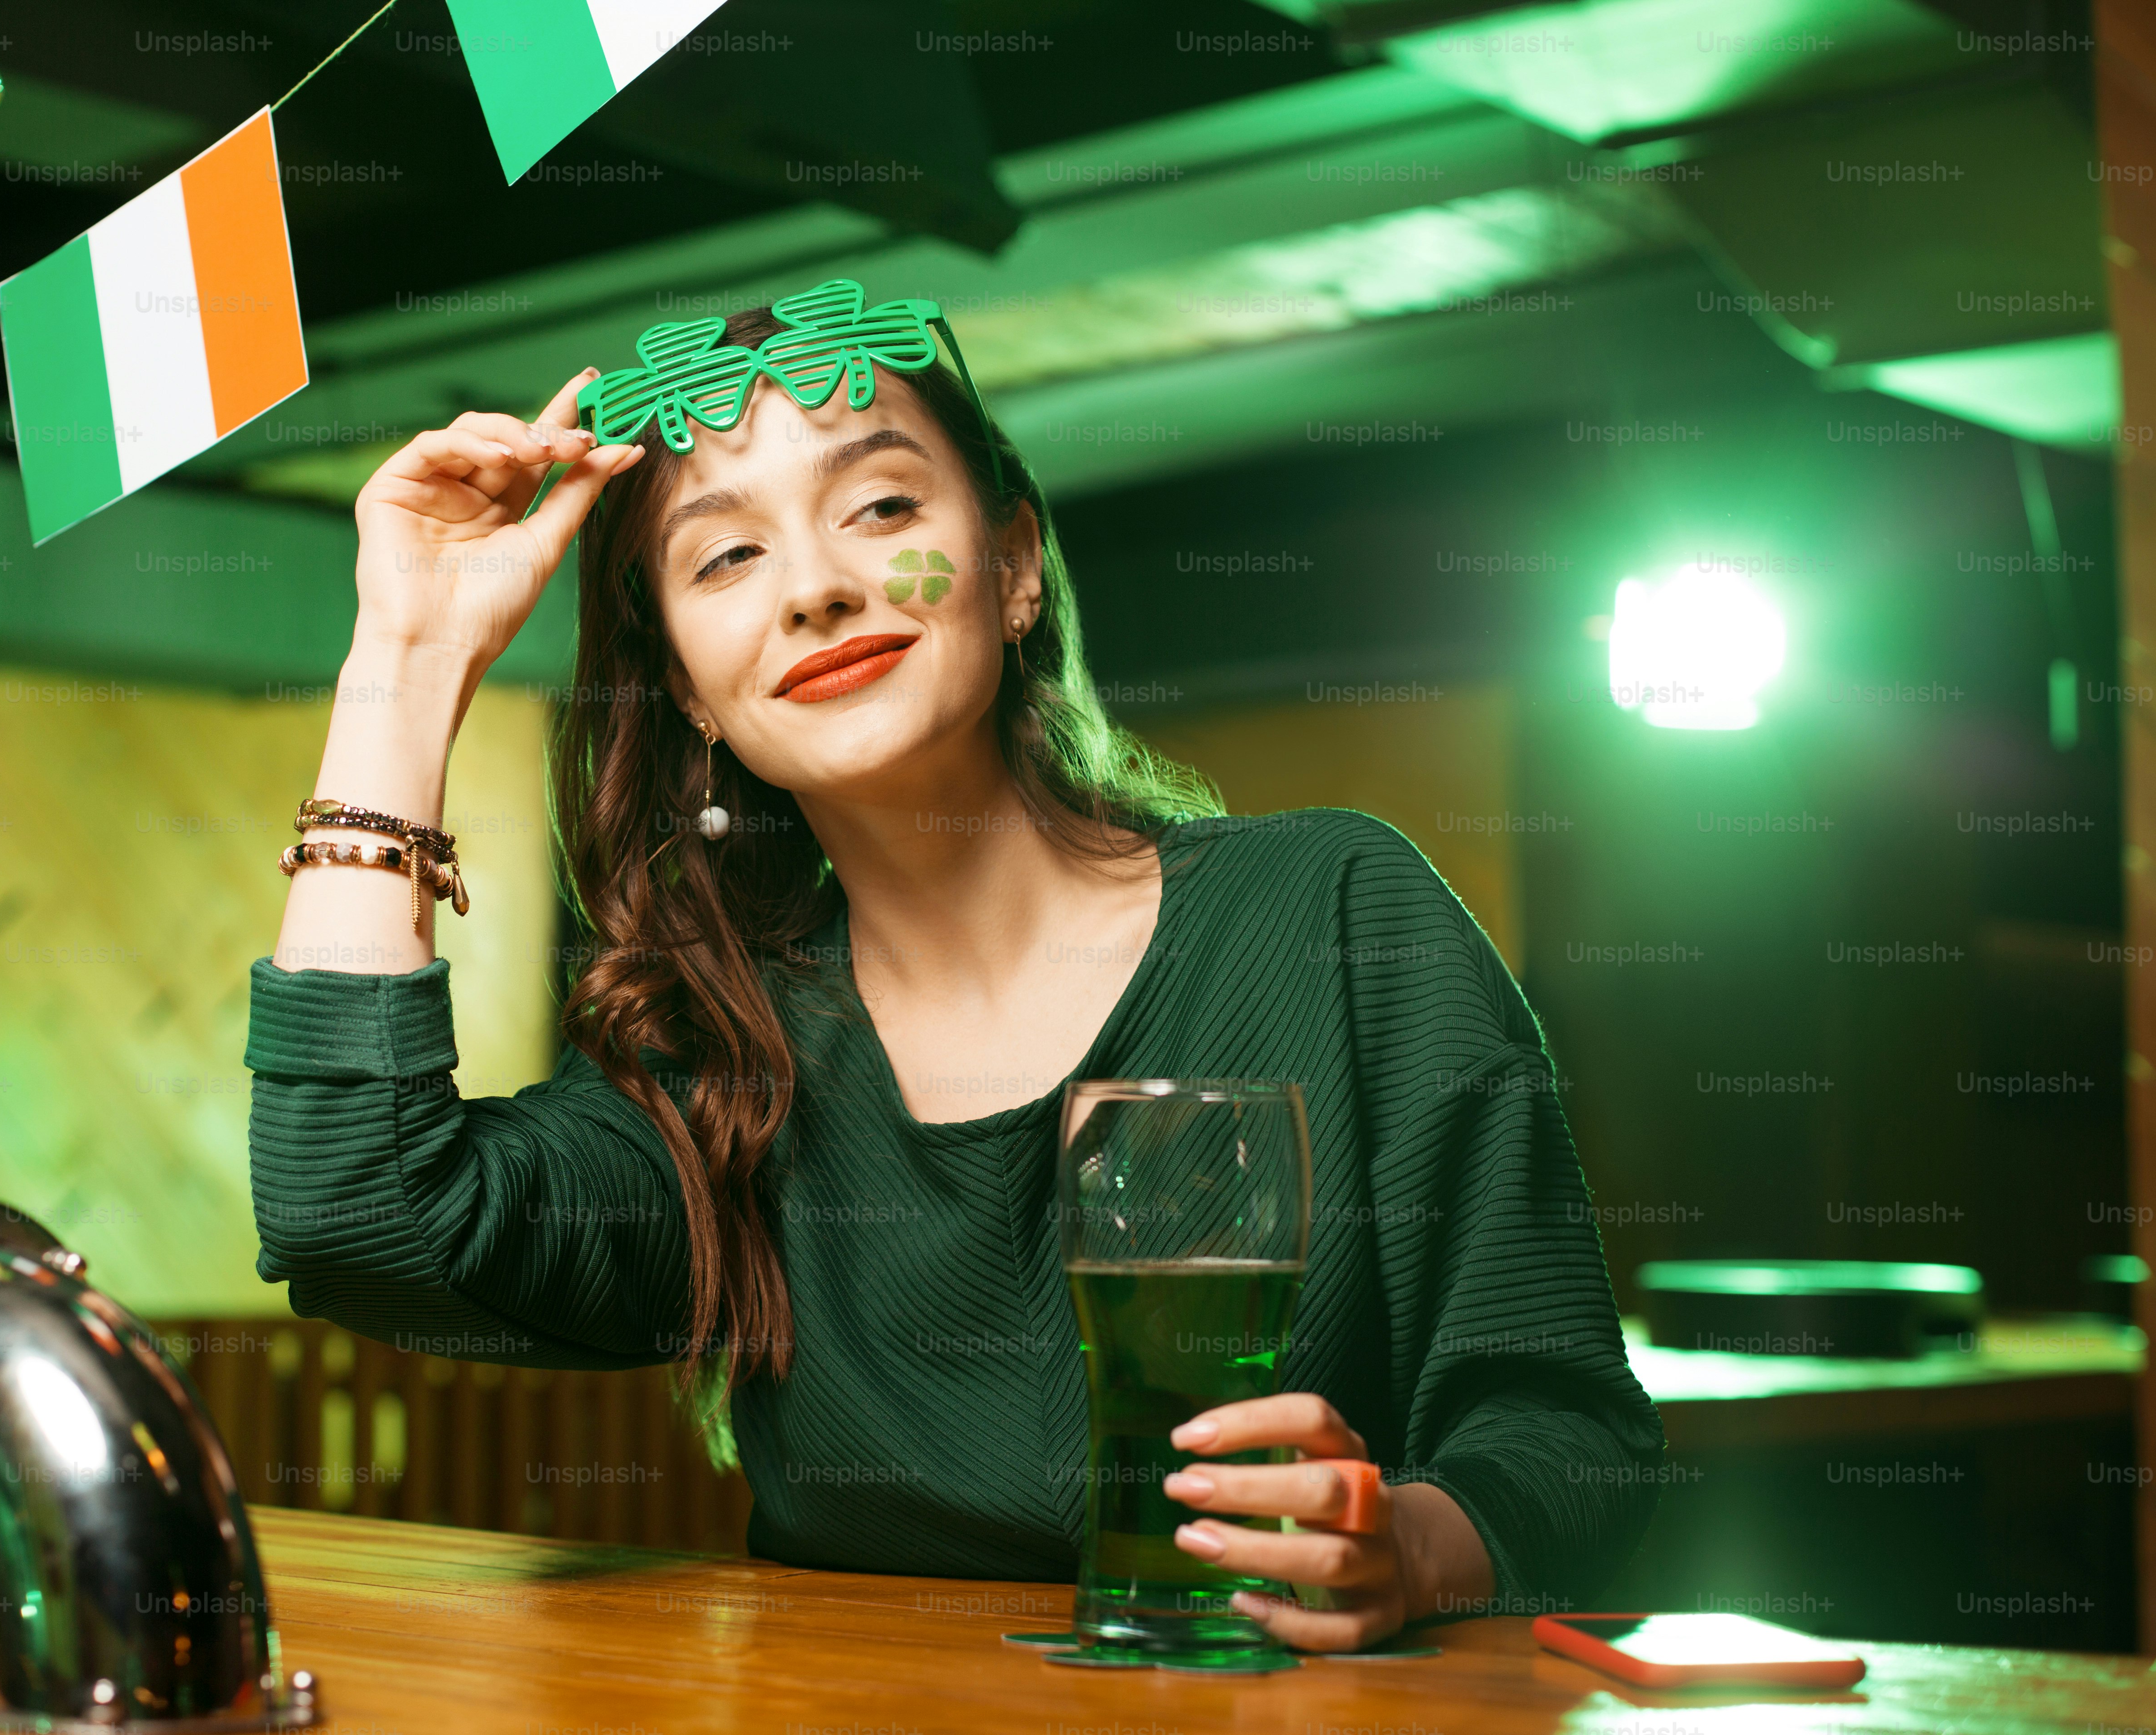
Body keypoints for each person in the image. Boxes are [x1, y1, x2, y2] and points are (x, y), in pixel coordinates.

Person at [247, 283, 1663, 1651]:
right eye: (726, 556)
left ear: (1014, 565)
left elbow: (1574, 1446)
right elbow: (354, 1213)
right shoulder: (718, 1067)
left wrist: (1405, 1547)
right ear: (687, 688)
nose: (815, 587)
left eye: (881, 506)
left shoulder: (1340, 917)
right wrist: (411, 654)